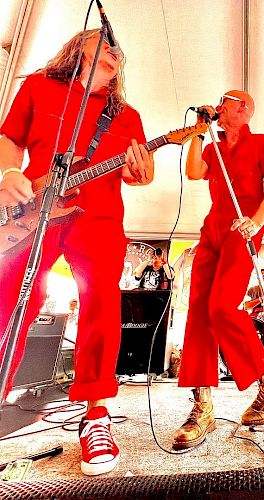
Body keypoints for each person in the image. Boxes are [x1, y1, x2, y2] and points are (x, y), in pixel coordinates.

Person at [0, 29, 154, 475]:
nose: (114, 51)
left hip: (99, 216)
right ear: (78, 47)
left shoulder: (126, 115)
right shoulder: (38, 86)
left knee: (102, 303)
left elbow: (137, 172)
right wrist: (10, 172)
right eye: (105, 42)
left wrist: (140, 173)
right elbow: (10, 137)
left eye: (117, 50)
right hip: (37, 208)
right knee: (11, 296)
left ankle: (95, 414)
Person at [172, 90, 264, 451]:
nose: (219, 106)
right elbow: (194, 172)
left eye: (227, 102)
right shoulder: (212, 146)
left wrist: (256, 223)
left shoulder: (263, 143)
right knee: (199, 315)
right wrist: (200, 131)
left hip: (244, 226)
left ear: (245, 109)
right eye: (218, 102)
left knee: (221, 307)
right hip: (212, 230)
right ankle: (202, 406)